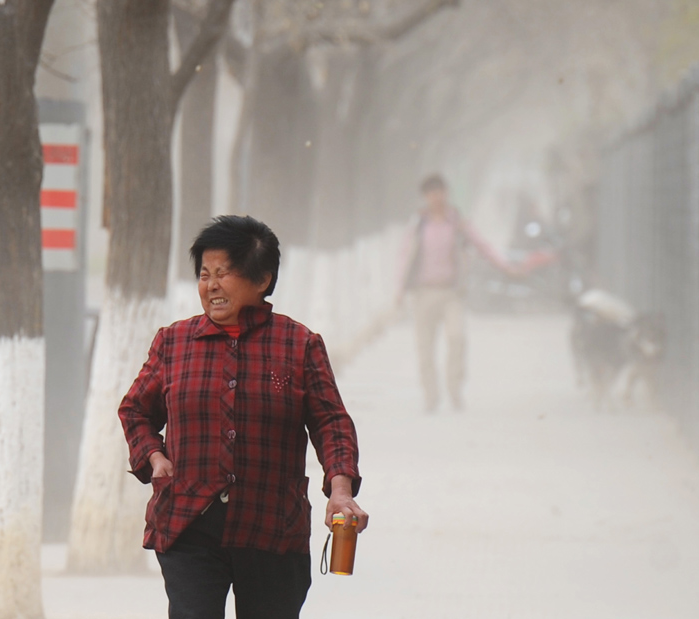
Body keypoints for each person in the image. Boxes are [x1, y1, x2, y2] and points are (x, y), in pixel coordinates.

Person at [119, 215, 367, 619]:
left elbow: (331, 423)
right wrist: (154, 456)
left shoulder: (299, 344)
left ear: (262, 280)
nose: (211, 285)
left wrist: (340, 489)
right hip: (188, 522)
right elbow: (135, 411)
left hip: (271, 527)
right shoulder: (174, 342)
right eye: (204, 274)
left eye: (225, 273)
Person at [396, 174, 520, 412]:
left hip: (451, 293)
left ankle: (454, 390)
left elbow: (482, 245)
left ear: (446, 193)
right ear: (425, 197)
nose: (436, 197)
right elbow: (404, 256)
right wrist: (399, 288)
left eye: (440, 191)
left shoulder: (457, 222)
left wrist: (505, 267)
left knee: (456, 338)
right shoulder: (418, 224)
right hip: (423, 294)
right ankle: (430, 397)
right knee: (425, 349)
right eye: (431, 193)